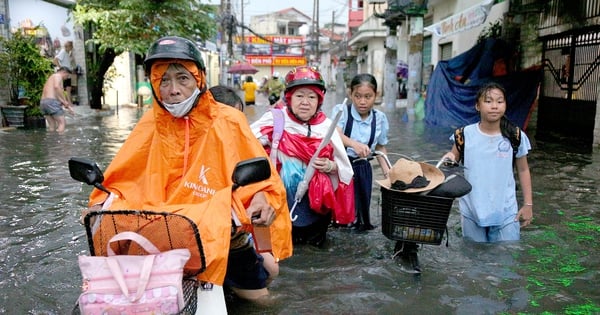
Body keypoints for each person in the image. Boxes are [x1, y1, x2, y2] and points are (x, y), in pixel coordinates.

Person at [85, 36, 292, 301]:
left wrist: (262, 199)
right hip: (162, 237)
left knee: (261, 301)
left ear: (199, 79)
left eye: (182, 78)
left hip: (223, 237)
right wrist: (101, 202)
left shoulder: (230, 121)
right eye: (164, 80)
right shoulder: (149, 124)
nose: (173, 90)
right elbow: (121, 179)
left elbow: (262, 181)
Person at [250, 66, 354, 247]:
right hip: (281, 205)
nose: (305, 102)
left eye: (311, 97)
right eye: (299, 96)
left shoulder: (326, 127)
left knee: (316, 250)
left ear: (319, 101)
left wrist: (330, 166)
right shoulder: (274, 120)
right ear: (289, 98)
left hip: (317, 208)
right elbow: (245, 147)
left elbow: (344, 170)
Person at [441, 82, 533, 242]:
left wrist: (528, 205)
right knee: (475, 259)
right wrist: (448, 158)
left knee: (506, 258)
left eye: (499, 101)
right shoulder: (464, 135)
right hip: (472, 209)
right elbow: (453, 156)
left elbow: (523, 170)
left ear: (505, 105)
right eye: (488, 101)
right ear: (477, 106)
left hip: (505, 210)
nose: (494, 106)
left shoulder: (515, 135)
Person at [332, 74, 389, 231]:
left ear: (376, 95)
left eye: (368, 96)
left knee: (362, 212)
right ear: (350, 94)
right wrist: (353, 144)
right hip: (342, 168)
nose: (362, 101)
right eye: (357, 96)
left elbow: (380, 147)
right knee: (342, 213)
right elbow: (334, 134)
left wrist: (388, 173)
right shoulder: (342, 111)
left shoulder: (380, 118)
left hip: (363, 169)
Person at [40, 66, 74, 133]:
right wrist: (65, 101)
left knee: (52, 125)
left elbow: (56, 95)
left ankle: (52, 141)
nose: (66, 78)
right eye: (67, 76)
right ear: (64, 72)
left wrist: (66, 105)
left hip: (43, 103)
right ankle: (61, 142)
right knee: (62, 123)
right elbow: (56, 87)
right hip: (51, 102)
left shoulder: (51, 78)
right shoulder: (57, 76)